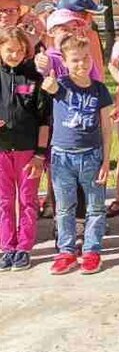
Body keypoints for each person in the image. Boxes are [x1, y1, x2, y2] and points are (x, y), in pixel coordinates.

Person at [37, 37, 113, 275]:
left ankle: (91, 251)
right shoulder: (60, 85)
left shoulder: (100, 90)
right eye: (75, 60)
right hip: (62, 157)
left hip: (91, 156)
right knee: (64, 207)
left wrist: (105, 161)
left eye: (85, 58)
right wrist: (45, 74)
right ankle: (66, 252)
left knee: (95, 207)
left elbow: (107, 128)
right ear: (65, 62)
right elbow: (47, 85)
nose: (81, 64)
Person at [0, 26, 49, 272]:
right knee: (4, 201)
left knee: (28, 199)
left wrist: (40, 154)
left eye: (19, 51)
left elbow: (44, 120)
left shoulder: (33, 77)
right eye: (9, 50)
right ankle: (6, 247)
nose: (14, 55)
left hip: (28, 152)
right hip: (1, 151)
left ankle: (24, 248)